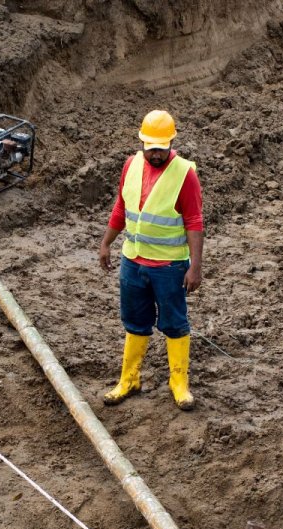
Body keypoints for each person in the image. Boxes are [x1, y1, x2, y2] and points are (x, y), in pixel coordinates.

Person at [98, 110, 204, 411]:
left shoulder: (185, 173)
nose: (155, 153)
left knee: (174, 322)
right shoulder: (130, 165)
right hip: (133, 261)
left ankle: (178, 383)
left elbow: (194, 222)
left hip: (169, 267)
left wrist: (195, 267)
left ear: (171, 142)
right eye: (151, 147)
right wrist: (107, 243)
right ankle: (129, 379)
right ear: (142, 142)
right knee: (134, 321)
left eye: (161, 147)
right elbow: (121, 208)